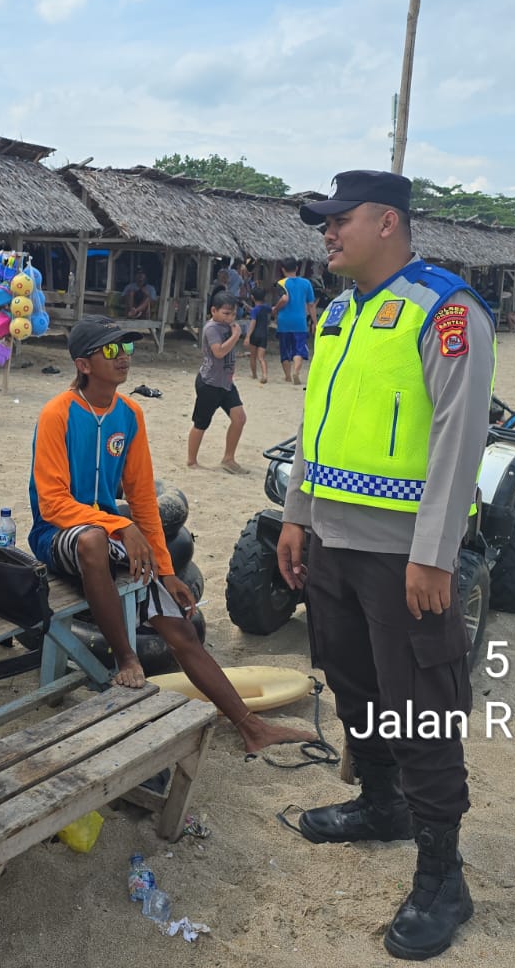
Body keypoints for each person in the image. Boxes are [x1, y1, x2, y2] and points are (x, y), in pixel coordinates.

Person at [277, 170, 494, 961]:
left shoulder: (446, 310)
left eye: (341, 220)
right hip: (332, 541)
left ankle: (442, 875)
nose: (327, 233)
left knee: (421, 707)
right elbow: (317, 420)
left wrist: (434, 553)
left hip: (404, 553)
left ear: (388, 224)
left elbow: (460, 438)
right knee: (354, 683)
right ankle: (380, 803)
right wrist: (297, 514)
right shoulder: (340, 311)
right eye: (324, 222)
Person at [27, 316, 309, 753]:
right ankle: (126, 659)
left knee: (180, 630)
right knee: (92, 539)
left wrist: (166, 569)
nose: (123, 358)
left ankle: (251, 727)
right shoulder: (56, 415)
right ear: (83, 365)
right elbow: (52, 503)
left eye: (127, 348)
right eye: (111, 351)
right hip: (58, 534)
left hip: (106, 532)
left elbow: (142, 498)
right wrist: (121, 525)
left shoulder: (129, 414)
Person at [187, 292, 248, 473]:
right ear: (214, 311)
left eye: (233, 314)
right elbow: (219, 352)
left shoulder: (228, 326)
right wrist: (236, 336)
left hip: (226, 383)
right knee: (201, 423)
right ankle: (191, 461)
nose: (230, 317)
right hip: (210, 383)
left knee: (239, 418)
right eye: (226, 313)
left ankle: (229, 458)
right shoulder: (212, 328)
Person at [273, 258, 317, 385]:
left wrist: (275, 309)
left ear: (283, 269)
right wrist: (315, 322)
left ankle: (287, 376)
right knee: (299, 348)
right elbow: (311, 304)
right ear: (296, 268)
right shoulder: (306, 283)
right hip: (300, 321)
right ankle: (296, 372)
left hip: (284, 321)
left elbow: (284, 299)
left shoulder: (281, 283)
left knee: (285, 349)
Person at [247, 285, 272, 384]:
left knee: (253, 356)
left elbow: (253, 322)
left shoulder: (254, 310)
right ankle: (264, 374)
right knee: (261, 357)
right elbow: (272, 309)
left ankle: (254, 374)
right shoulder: (266, 308)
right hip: (264, 335)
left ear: (252, 297)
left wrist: (248, 336)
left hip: (254, 335)